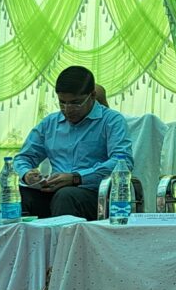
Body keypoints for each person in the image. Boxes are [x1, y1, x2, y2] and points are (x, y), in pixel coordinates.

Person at [14, 66, 133, 220]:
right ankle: (28, 237)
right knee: (21, 194)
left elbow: (123, 161)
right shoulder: (50, 123)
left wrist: (76, 178)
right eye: (62, 102)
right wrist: (27, 174)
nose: (67, 109)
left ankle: (61, 237)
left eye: (75, 103)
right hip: (53, 191)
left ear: (92, 96)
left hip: (96, 194)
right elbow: (23, 157)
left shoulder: (111, 121)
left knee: (66, 195)